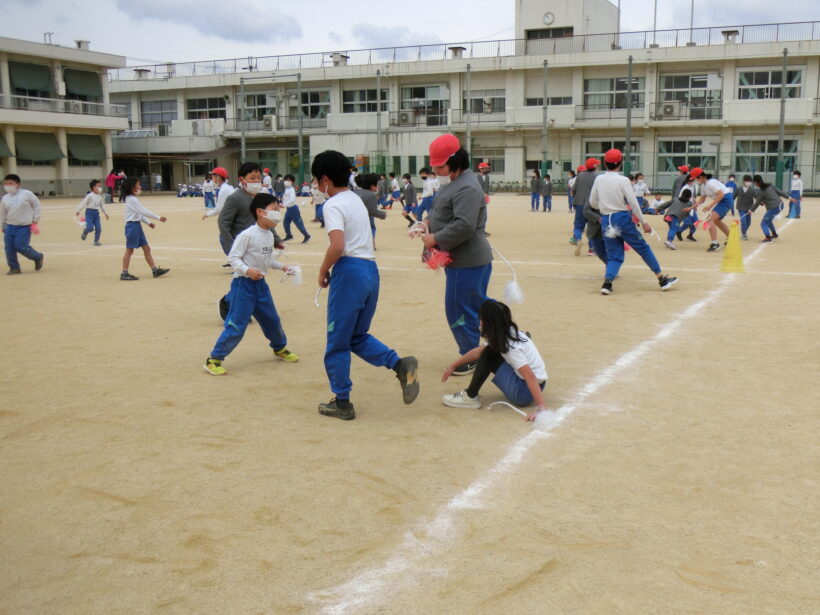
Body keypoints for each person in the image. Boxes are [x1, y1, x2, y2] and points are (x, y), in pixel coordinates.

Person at [312, 150, 419, 420]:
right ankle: (399, 365)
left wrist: (324, 270)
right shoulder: (356, 199)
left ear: (325, 179)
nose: (317, 187)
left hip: (349, 272)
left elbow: (337, 246)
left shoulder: (333, 204)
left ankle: (342, 401)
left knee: (337, 341)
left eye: (316, 181)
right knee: (356, 336)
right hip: (370, 270)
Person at [203, 193, 299, 376]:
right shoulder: (246, 235)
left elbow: (268, 259)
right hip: (243, 285)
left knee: (272, 320)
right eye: (275, 209)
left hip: (261, 286)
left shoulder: (269, 235)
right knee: (237, 324)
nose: (278, 213)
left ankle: (279, 348)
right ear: (260, 212)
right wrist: (247, 270)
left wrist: (283, 267)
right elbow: (233, 258)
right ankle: (214, 359)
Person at [421, 134, 493, 373]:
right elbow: (444, 215)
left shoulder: (467, 187)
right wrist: (426, 225)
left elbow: (463, 225)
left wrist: (435, 238)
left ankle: (470, 355)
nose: (436, 170)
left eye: (440, 165)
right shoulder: (456, 183)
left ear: (455, 161)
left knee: (458, 309)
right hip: (463, 260)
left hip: (467, 260)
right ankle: (505, 335)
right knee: (476, 305)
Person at [589, 149, 677, 295]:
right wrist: (644, 222)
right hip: (621, 217)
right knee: (643, 248)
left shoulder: (598, 179)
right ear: (621, 163)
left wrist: (604, 207)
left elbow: (592, 202)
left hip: (606, 220)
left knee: (614, 255)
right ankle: (662, 279)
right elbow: (634, 203)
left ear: (605, 162)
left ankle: (607, 283)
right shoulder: (623, 180)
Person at [442, 300, 547, 422]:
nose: (479, 322)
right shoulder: (507, 333)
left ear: (489, 324)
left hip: (523, 393)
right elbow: (478, 351)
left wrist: (541, 408)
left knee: (489, 354)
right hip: (538, 385)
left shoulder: (511, 348)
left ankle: (470, 397)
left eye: (481, 319)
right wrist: (453, 366)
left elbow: (530, 377)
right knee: (488, 350)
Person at [217, 162, 284, 319]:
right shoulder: (235, 198)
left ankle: (233, 303)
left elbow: (267, 221)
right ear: (242, 179)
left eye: (258, 178)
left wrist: (276, 240)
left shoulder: (261, 199)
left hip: (256, 245)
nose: (256, 181)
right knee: (243, 278)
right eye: (252, 178)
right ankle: (231, 306)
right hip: (239, 245)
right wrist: (231, 247)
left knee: (250, 278)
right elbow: (223, 222)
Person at [119, 177, 169, 281]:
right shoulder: (131, 199)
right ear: (133, 187)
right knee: (129, 250)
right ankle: (124, 273)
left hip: (137, 226)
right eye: (138, 185)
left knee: (147, 249)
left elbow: (139, 214)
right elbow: (143, 211)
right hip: (132, 226)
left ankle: (155, 270)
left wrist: (148, 223)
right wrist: (158, 217)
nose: (140, 187)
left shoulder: (132, 199)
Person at [2, 174, 43, 275]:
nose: (8, 185)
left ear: (18, 184)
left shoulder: (27, 194)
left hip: (24, 226)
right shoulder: (5, 198)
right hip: (10, 226)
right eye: (6, 183)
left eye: (10, 183)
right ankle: (14, 268)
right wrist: (2, 225)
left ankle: (38, 257)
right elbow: (3, 213)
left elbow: (37, 206)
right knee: (9, 248)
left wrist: (35, 220)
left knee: (21, 246)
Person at [690, 168, 733, 253]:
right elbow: (702, 200)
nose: (696, 180)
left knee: (710, 219)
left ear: (701, 177)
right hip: (723, 200)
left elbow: (721, 195)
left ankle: (715, 244)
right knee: (716, 221)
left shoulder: (710, 183)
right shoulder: (703, 185)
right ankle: (732, 238)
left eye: (696, 178)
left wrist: (709, 206)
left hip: (726, 199)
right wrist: (691, 207)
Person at [202, 167, 235, 263]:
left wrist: (207, 214)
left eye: (213, 176)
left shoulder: (223, 191)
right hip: (233, 218)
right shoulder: (227, 188)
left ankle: (236, 262)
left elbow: (219, 209)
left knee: (226, 240)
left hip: (230, 220)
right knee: (231, 240)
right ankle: (233, 260)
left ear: (218, 177)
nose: (212, 178)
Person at [752, 175, 794, 243]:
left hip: (774, 207)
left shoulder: (760, 191)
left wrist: (751, 210)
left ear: (756, 183)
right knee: (769, 220)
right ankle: (774, 234)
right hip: (780, 204)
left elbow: (757, 203)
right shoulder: (769, 185)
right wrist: (789, 197)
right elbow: (780, 192)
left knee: (764, 223)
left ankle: (768, 238)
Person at [570, 158, 600, 255]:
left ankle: (578, 238)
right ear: (595, 167)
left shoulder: (580, 176)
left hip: (579, 203)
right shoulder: (597, 177)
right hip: (592, 205)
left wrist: (576, 198)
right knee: (592, 227)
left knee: (578, 225)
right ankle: (591, 248)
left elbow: (573, 189)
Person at [354, 173, 387, 245]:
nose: (378, 187)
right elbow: (373, 211)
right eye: (376, 185)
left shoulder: (356, 192)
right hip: (365, 218)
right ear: (372, 186)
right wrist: (383, 214)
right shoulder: (371, 195)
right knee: (371, 228)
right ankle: (372, 244)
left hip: (354, 219)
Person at [76, 179, 109, 246]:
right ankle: (85, 231)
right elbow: (83, 203)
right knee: (90, 228)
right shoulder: (90, 195)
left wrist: (105, 213)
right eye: (98, 186)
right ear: (93, 187)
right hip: (89, 213)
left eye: (100, 186)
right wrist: (78, 210)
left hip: (96, 214)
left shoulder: (100, 197)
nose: (100, 188)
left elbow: (102, 206)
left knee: (98, 228)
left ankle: (96, 241)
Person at [281, 174, 310, 243]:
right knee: (285, 223)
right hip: (289, 209)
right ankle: (289, 235)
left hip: (293, 209)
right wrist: (282, 203)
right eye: (286, 180)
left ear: (292, 182)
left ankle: (307, 235)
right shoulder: (286, 189)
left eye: (289, 180)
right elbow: (285, 199)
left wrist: (284, 205)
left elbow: (292, 200)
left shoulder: (292, 190)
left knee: (298, 223)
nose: (287, 181)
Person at [734, 175, 757, 240]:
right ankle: (744, 234)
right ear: (743, 181)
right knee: (743, 221)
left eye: (749, 181)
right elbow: (733, 196)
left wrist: (761, 202)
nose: (748, 182)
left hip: (749, 208)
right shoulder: (739, 189)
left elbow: (756, 197)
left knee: (748, 222)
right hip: (740, 207)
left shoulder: (752, 190)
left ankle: (744, 231)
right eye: (747, 181)